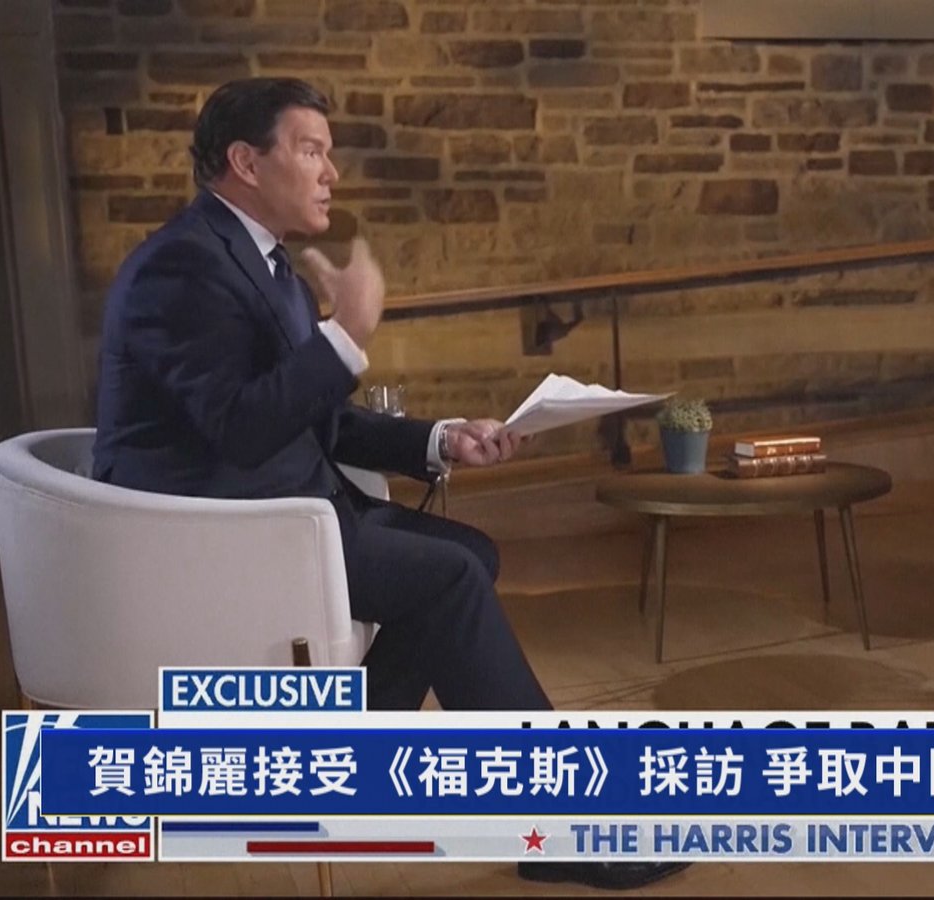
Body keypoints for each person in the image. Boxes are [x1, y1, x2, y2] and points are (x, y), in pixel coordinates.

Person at [92, 77, 687, 890]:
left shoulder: (266, 265)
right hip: (221, 538)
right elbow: (240, 428)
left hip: (286, 513)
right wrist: (346, 333)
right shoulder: (180, 269)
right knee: (449, 578)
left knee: (469, 556)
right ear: (245, 162)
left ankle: (339, 762)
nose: (331, 172)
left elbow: (319, 422)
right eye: (311, 151)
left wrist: (442, 439)